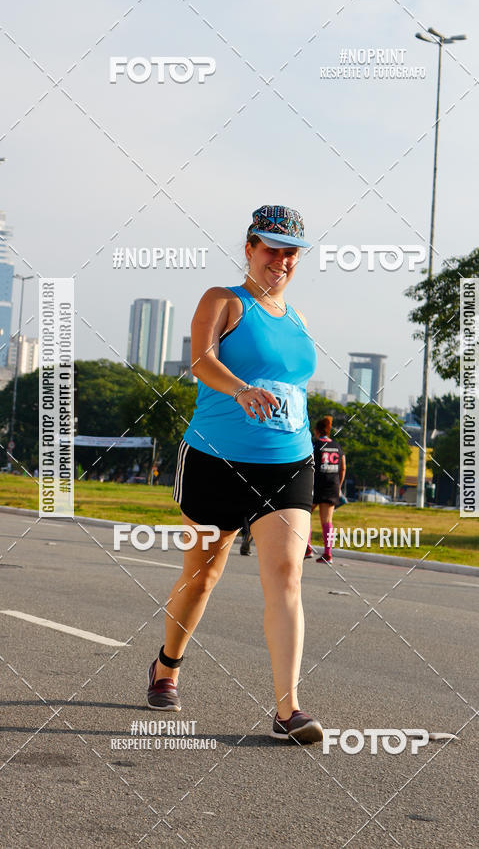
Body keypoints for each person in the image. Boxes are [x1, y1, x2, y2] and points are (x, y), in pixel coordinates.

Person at [147, 205, 323, 744]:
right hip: (215, 460)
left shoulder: (297, 319)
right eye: (271, 249)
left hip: (287, 461)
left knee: (287, 575)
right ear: (249, 247)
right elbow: (200, 361)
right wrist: (241, 389)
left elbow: (292, 385)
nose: (281, 261)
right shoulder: (223, 301)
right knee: (203, 576)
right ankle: (166, 665)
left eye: (290, 252)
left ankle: (288, 709)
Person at [305, 416, 346, 563]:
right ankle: (328, 553)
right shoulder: (337, 446)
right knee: (327, 521)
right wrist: (339, 485)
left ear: (316, 431)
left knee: (305, 517)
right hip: (332, 486)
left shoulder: (315, 446)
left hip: (316, 485)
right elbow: (343, 468)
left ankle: (307, 548)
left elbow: (308, 465)